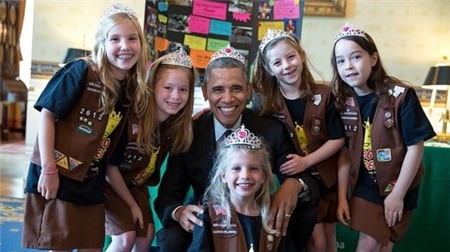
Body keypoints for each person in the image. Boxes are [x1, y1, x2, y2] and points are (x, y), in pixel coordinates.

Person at [154, 46, 319, 252]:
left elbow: (307, 177)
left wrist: (294, 184)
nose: (228, 98)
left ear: (249, 90)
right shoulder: (190, 132)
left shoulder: (269, 129)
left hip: (257, 216)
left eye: (237, 88)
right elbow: (167, 196)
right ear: (205, 92)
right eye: (218, 90)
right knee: (171, 239)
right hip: (205, 221)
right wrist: (178, 212)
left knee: (304, 213)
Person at [21, 3, 149, 251]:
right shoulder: (80, 71)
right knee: (60, 244)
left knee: (92, 244)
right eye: (115, 39)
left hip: (91, 182)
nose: (125, 46)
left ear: (141, 44)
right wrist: (49, 170)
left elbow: (111, 155)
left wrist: (130, 203)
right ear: (102, 43)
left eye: (132, 38)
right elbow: (47, 116)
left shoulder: (129, 90)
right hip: (59, 174)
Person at [331, 23, 436, 252]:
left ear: (373, 58)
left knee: (384, 243)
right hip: (364, 185)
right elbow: (344, 153)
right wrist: (342, 197)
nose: (348, 66)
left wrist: (397, 195)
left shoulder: (400, 96)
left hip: (400, 184)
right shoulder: (341, 102)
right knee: (369, 242)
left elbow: (415, 147)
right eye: (340, 61)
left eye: (356, 57)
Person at [253, 28, 345, 252]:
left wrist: (306, 161)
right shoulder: (264, 103)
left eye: (291, 56)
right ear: (269, 69)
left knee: (329, 240)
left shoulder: (325, 95)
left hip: (326, 179)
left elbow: (339, 138)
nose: (287, 66)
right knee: (316, 241)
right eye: (277, 62)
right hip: (294, 182)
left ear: (301, 55)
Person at [104, 49, 196, 251]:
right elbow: (109, 168)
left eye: (183, 90)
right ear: (152, 86)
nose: (175, 96)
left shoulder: (175, 125)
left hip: (136, 186)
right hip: (108, 183)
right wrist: (132, 205)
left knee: (145, 237)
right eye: (168, 88)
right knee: (125, 238)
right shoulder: (131, 117)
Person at [188, 125, 296, 251]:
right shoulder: (209, 215)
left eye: (253, 168)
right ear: (223, 176)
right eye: (236, 168)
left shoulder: (274, 216)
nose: (245, 175)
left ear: (263, 176)